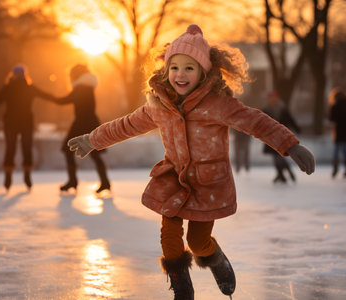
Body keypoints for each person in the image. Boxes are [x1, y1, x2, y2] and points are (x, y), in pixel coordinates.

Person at [67, 25, 315, 299]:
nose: (180, 75)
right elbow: (126, 125)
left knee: (197, 242)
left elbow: (256, 122)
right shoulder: (158, 104)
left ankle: (216, 258)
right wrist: (93, 139)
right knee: (169, 239)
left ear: (203, 72)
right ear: (166, 70)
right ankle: (182, 291)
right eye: (174, 68)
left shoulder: (218, 104)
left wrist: (290, 145)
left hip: (208, 184)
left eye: (189, 68)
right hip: (173, 179)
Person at [0, 64, 55, 191]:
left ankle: (8, 177)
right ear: (25, 74)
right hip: (26, 123)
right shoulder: (29, 88)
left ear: (13, 75)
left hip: (10, 123)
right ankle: (27, 176)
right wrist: (61, 99)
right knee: (27, 148)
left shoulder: (8, 87)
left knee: (10, 147)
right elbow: (46, 95)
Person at [49, 64, 111, 193]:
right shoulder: (87, 87)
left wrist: (46, 95)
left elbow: (63, 101)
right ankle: (104, 182)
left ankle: (74, 181)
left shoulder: (81, 88)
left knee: (68, 150)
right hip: (89, 123)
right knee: (93, 153)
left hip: (82, 124)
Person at [262, 91, 301, 183]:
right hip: (270, 137)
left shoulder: (283, 109)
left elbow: (290, 119)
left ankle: (284, 174)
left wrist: (297, 129)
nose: (272, 100)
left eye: (274, 98)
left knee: (279, 157)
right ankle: (282, 174)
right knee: (276, 157)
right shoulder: (265, 110)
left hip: (281, 137)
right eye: (270, 99)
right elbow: (261, 123)